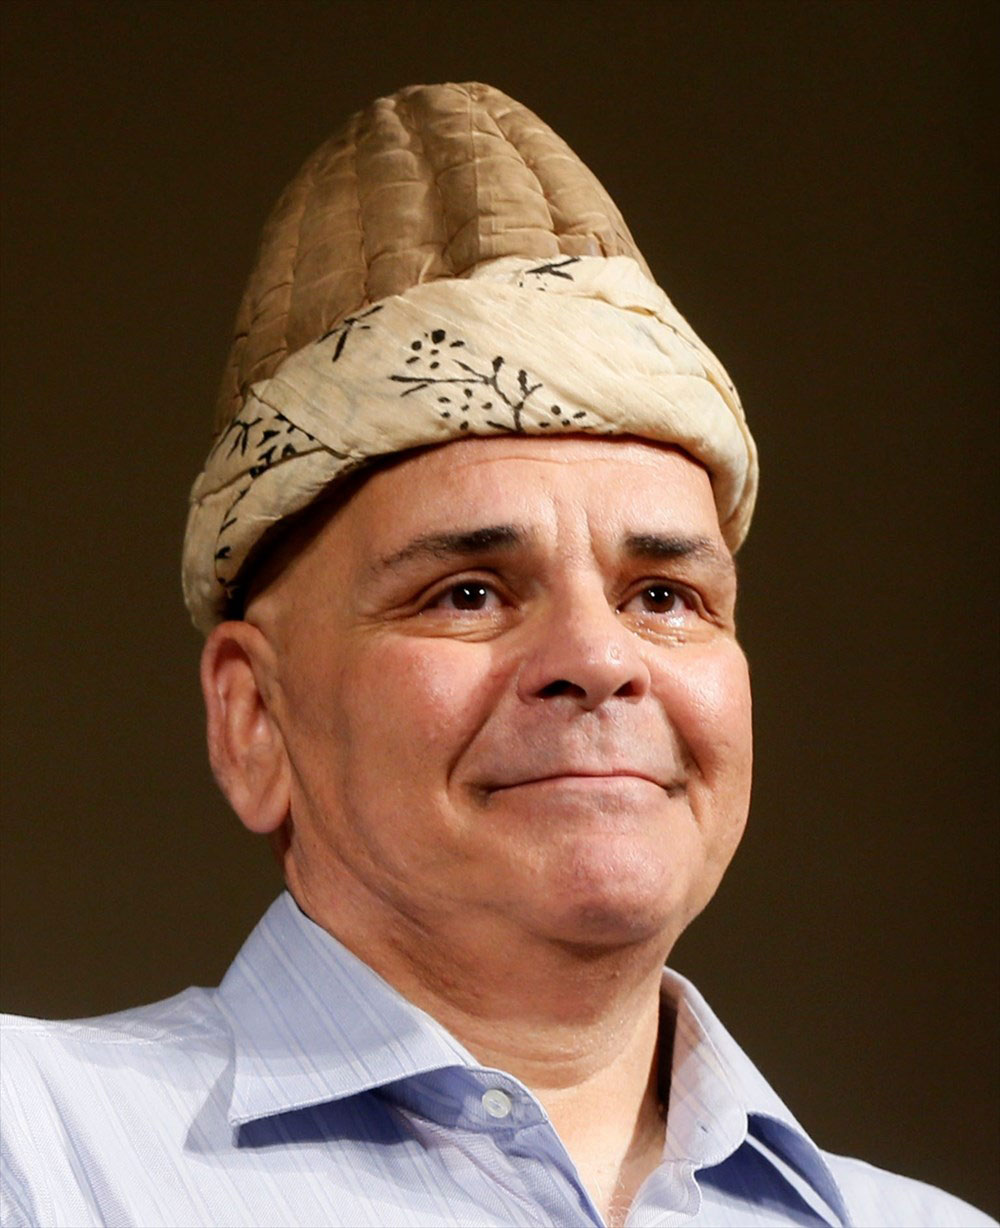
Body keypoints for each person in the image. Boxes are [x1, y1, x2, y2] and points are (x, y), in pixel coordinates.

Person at [0, 82, 993, 1228]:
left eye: (662, 596)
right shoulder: (39, 1150)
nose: (597, 659)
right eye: (467, 592)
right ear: (254, 719)